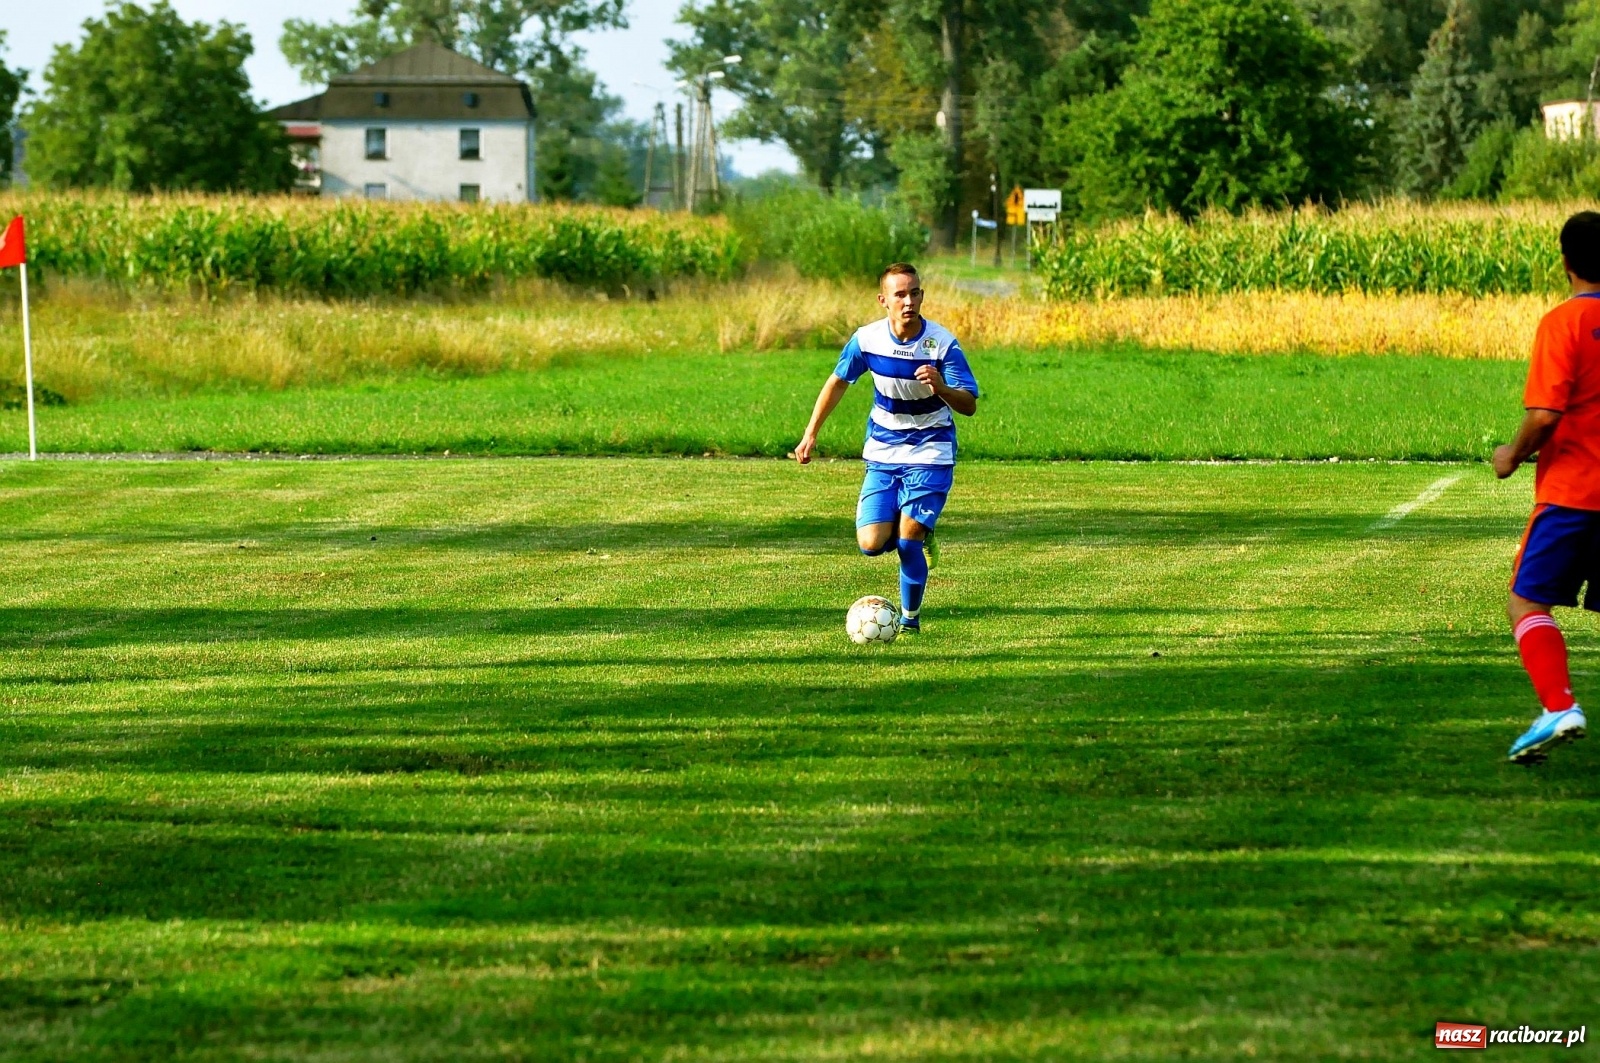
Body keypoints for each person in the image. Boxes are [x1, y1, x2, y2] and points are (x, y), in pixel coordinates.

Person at [794, 262, 979, 633]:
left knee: (908, 542)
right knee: (871, 543)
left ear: (922, 296)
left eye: (914, 293)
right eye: (900, 294)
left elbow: (969, 404)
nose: (908, 301)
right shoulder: (867, 340)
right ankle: (919, 526)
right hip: (883, 449)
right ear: (884, 300)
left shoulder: (942, 344)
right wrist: (811, 432)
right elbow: (838, 381)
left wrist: (942, 387)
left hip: (931, 450)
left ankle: (910, 620)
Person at [1494, 211, 1600, 763]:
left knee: (1526, 600)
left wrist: (1511, 454)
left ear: (1565, 260)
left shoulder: (1562, 324)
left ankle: (1559, 705)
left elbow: (1544, 414)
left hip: (1573, 495)